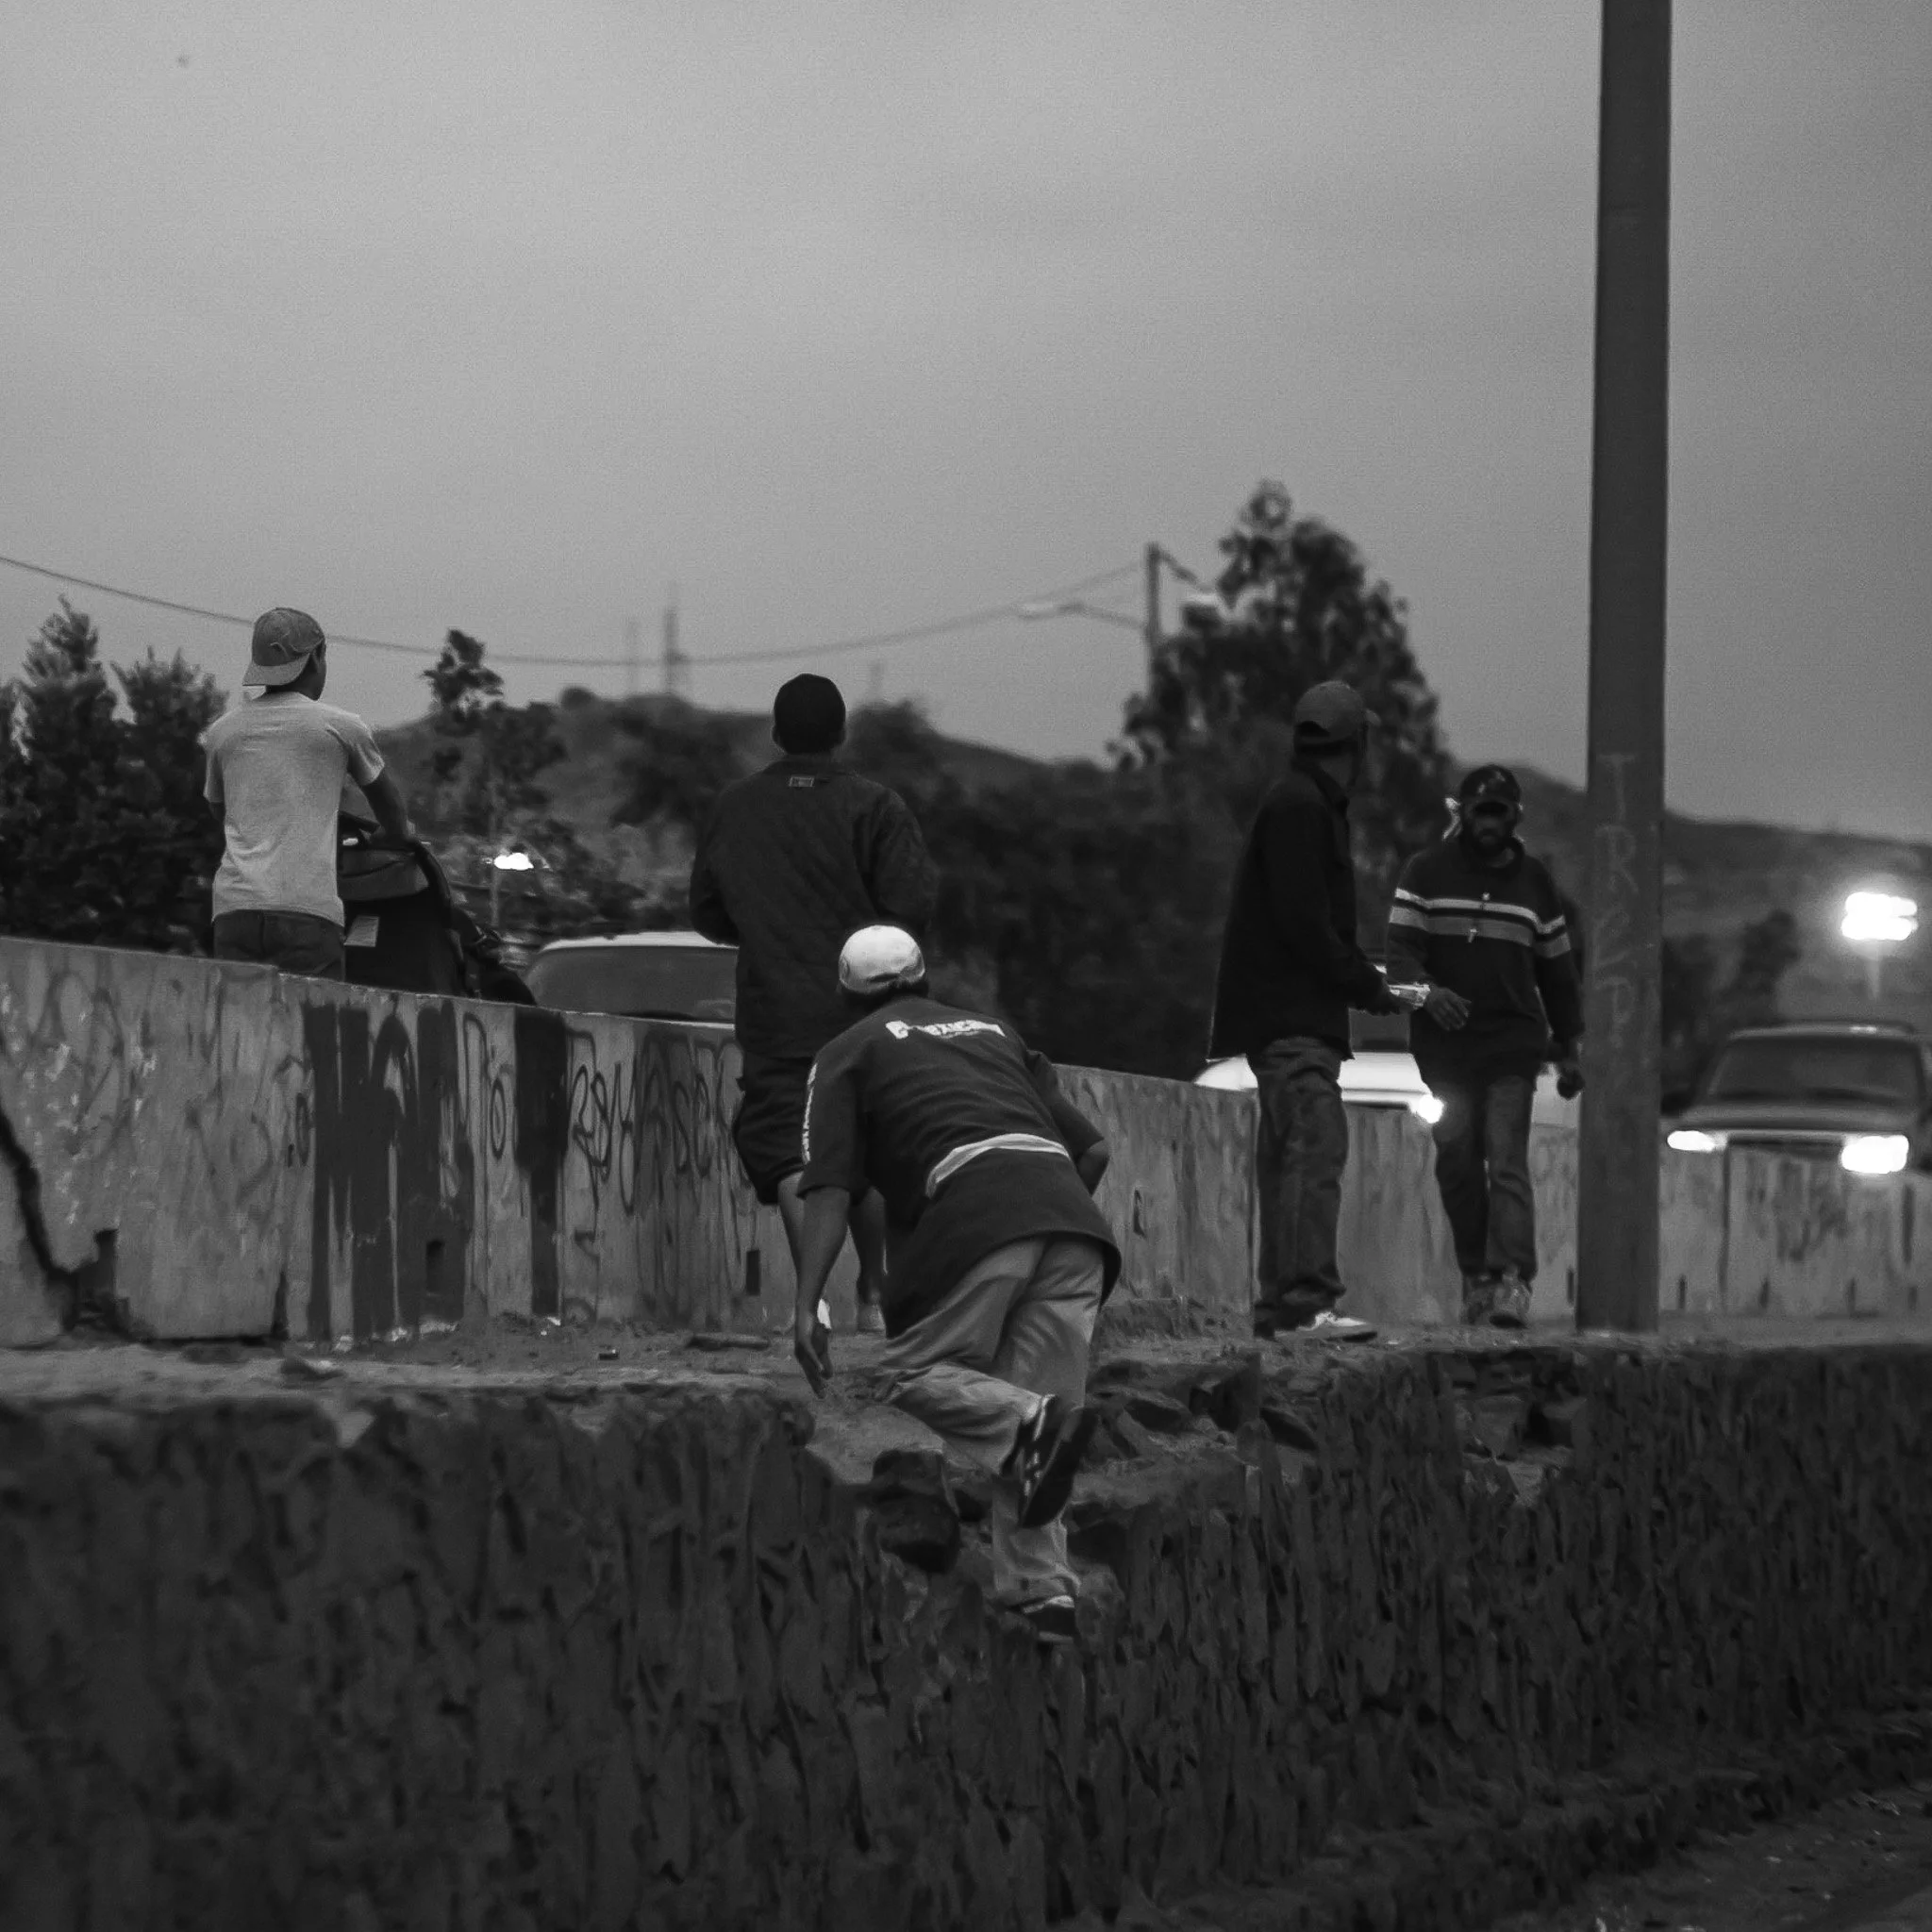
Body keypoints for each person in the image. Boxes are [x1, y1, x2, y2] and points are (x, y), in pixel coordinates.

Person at [790, 925, 1117, 1646]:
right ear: (924, 978)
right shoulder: (994, 1031)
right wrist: (1042, 1217)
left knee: (907, 1372)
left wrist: (806, 1302)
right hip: (1075, 1226)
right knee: (1027, 1417)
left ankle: (1031, 1430)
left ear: (844, 996)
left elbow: (828, 1190)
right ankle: (1039, 1591)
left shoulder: (847, 1051)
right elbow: (1092, 1148)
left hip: (981, 1216)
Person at [689, 674, 938, 1332]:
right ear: (840, 734)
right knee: (868, 1150)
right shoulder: (875, 807)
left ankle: (813, 1305)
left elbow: (708, 912)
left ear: (775, 735)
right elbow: (910, 908)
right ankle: (878, 1301)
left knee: (787, 1155)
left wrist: (768, 930)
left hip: (774, 1014)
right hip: (867, 1013)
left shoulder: (735, 807)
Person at [1207, 680, 1406, 1343]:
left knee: (1291, 1156)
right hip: (1292, 1019)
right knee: (1314, 1150)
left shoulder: (1301, 803)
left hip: (1284, 1016)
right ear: (1358, 744)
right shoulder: (1301, 809)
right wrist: (1368, 986)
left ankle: (1281, 1306)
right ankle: (1303, 1303)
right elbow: (1306, 925)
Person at [1386, 763, 1584, 1328]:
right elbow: (1397, 963)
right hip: (1445, 1054)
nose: (1489, 822)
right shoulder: (1424, 873)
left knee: (1507, 1159)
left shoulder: (1536, 884)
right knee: (1457, 1162)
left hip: (1512, 1048)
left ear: (1515, 818)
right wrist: (1427, 995)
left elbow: (1559, 973)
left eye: (1500, 812)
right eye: (1480, 811)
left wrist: (1571, 1046)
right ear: (1462, 814)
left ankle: (1513, 1280)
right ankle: (1475, 1276)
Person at [202, 608, 412, 979]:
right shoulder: (343, 728)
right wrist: (389, 837)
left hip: (234, 913)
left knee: (239, 1030)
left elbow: (221, 812)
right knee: (312, 1032)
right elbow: (392, 812)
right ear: (315, 657)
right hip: (308, 915)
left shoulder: (221, 733)